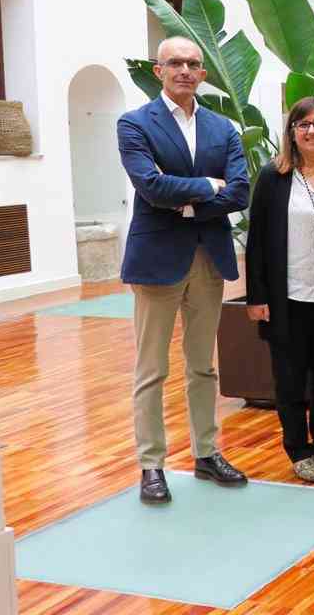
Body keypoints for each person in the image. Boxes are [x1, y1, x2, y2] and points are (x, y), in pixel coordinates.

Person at [117, 35, 250, 504]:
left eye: (194, 63)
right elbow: (150, 186)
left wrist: (193, 206)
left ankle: (207, 453)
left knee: (203, 367)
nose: (185, 70)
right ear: (159, 70)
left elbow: (239, 192)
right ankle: (151, 465)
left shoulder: (223, 128)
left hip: (207, 258)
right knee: (151, 369)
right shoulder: (134, 124)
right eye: (175, 63)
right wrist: (207, 187)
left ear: (204, 73)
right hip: (157, 261)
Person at [245, 97, 314, 483]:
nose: (312, 131)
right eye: (303, 124)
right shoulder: (272, 178)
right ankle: (298, 449)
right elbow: (256, 240)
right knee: (289, 379)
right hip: (287, 296)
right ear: (292, 132)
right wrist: (256, 297)